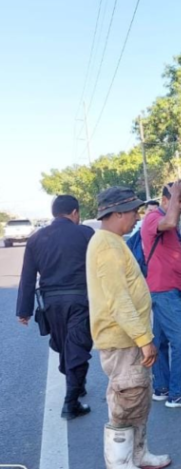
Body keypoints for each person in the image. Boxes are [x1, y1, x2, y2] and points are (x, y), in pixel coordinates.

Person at [86, 187, 170, 469]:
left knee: (138, 398)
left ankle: (138, 455)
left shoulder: (114, 241)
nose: (138, 216)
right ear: (117, 213)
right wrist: (144, 338)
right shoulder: (106, 245)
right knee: (126, 400)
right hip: (122, 339)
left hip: (129, 338)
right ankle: (120, 463)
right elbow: (118, 299)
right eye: (134, 211)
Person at [16, 195, 95, 420]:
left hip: (51, 303)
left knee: (64, 346)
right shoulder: (86, 234)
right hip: (80, 300)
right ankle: (71, 404)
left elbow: (28, 276)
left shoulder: (36, 239)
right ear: (75, 213)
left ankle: (76, 388)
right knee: (77, 348)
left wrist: (24, 310)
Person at [142, 180, 181, 409]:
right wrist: (176, 195)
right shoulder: (154, 218)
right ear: (166, 201)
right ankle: (178, 394)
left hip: (169, 289)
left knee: (160, 340)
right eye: (179, 201)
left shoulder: (169, 220)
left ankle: (162, 387)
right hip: (163, 290)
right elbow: (168, 221)